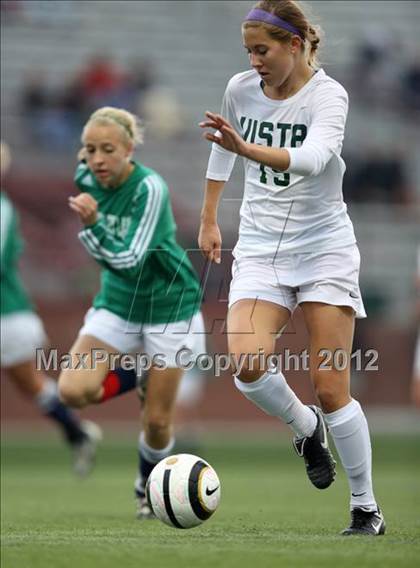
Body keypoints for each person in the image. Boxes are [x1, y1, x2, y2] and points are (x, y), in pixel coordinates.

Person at [198, 0, 385, 536]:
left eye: (263, 50)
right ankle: (304, 429)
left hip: (324, 248)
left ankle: (365, 507)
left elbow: (314, 159)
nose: (254, 61)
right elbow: (222, 152)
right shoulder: (240, 90)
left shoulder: (329, 96)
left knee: (330, 386)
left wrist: (247, 147)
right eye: (248, 51)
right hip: (261, 249)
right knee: (247, 364)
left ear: (295, 46)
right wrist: (210, 218)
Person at [58, 106, 205, 519]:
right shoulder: (86, 176)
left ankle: (146, 490)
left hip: (168, 304)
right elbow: (118, 269)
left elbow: (130, 259)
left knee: (158, 422)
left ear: (129, 149)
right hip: (119, 303)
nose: (98, 159)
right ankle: (140, 375)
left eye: (108, 149)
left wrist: (92, 227)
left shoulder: (149, 188)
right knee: (71, 390)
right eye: (90, 149)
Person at [0, 141, 101, 477]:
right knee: (32, 385)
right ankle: (77, 433)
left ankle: (77, 432)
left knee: (31, 383)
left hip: (7, 314)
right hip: (12, 314)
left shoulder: (1, 207)